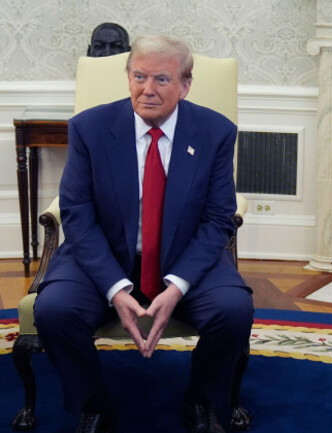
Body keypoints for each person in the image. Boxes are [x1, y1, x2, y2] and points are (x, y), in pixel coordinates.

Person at [34, 35, 253, 433]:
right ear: (128, 77)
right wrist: (115, 287)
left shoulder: (215, 132)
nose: (147, 90)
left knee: (234, 311)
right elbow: (77, 215)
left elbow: (218, 218)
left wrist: (177, 287)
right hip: (103, 256)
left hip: (185, 256)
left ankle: (201, 402)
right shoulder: (90, 128)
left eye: (162, 80)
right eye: (139, 76)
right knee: (53, 310)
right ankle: (94, 405)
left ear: (185, 85)